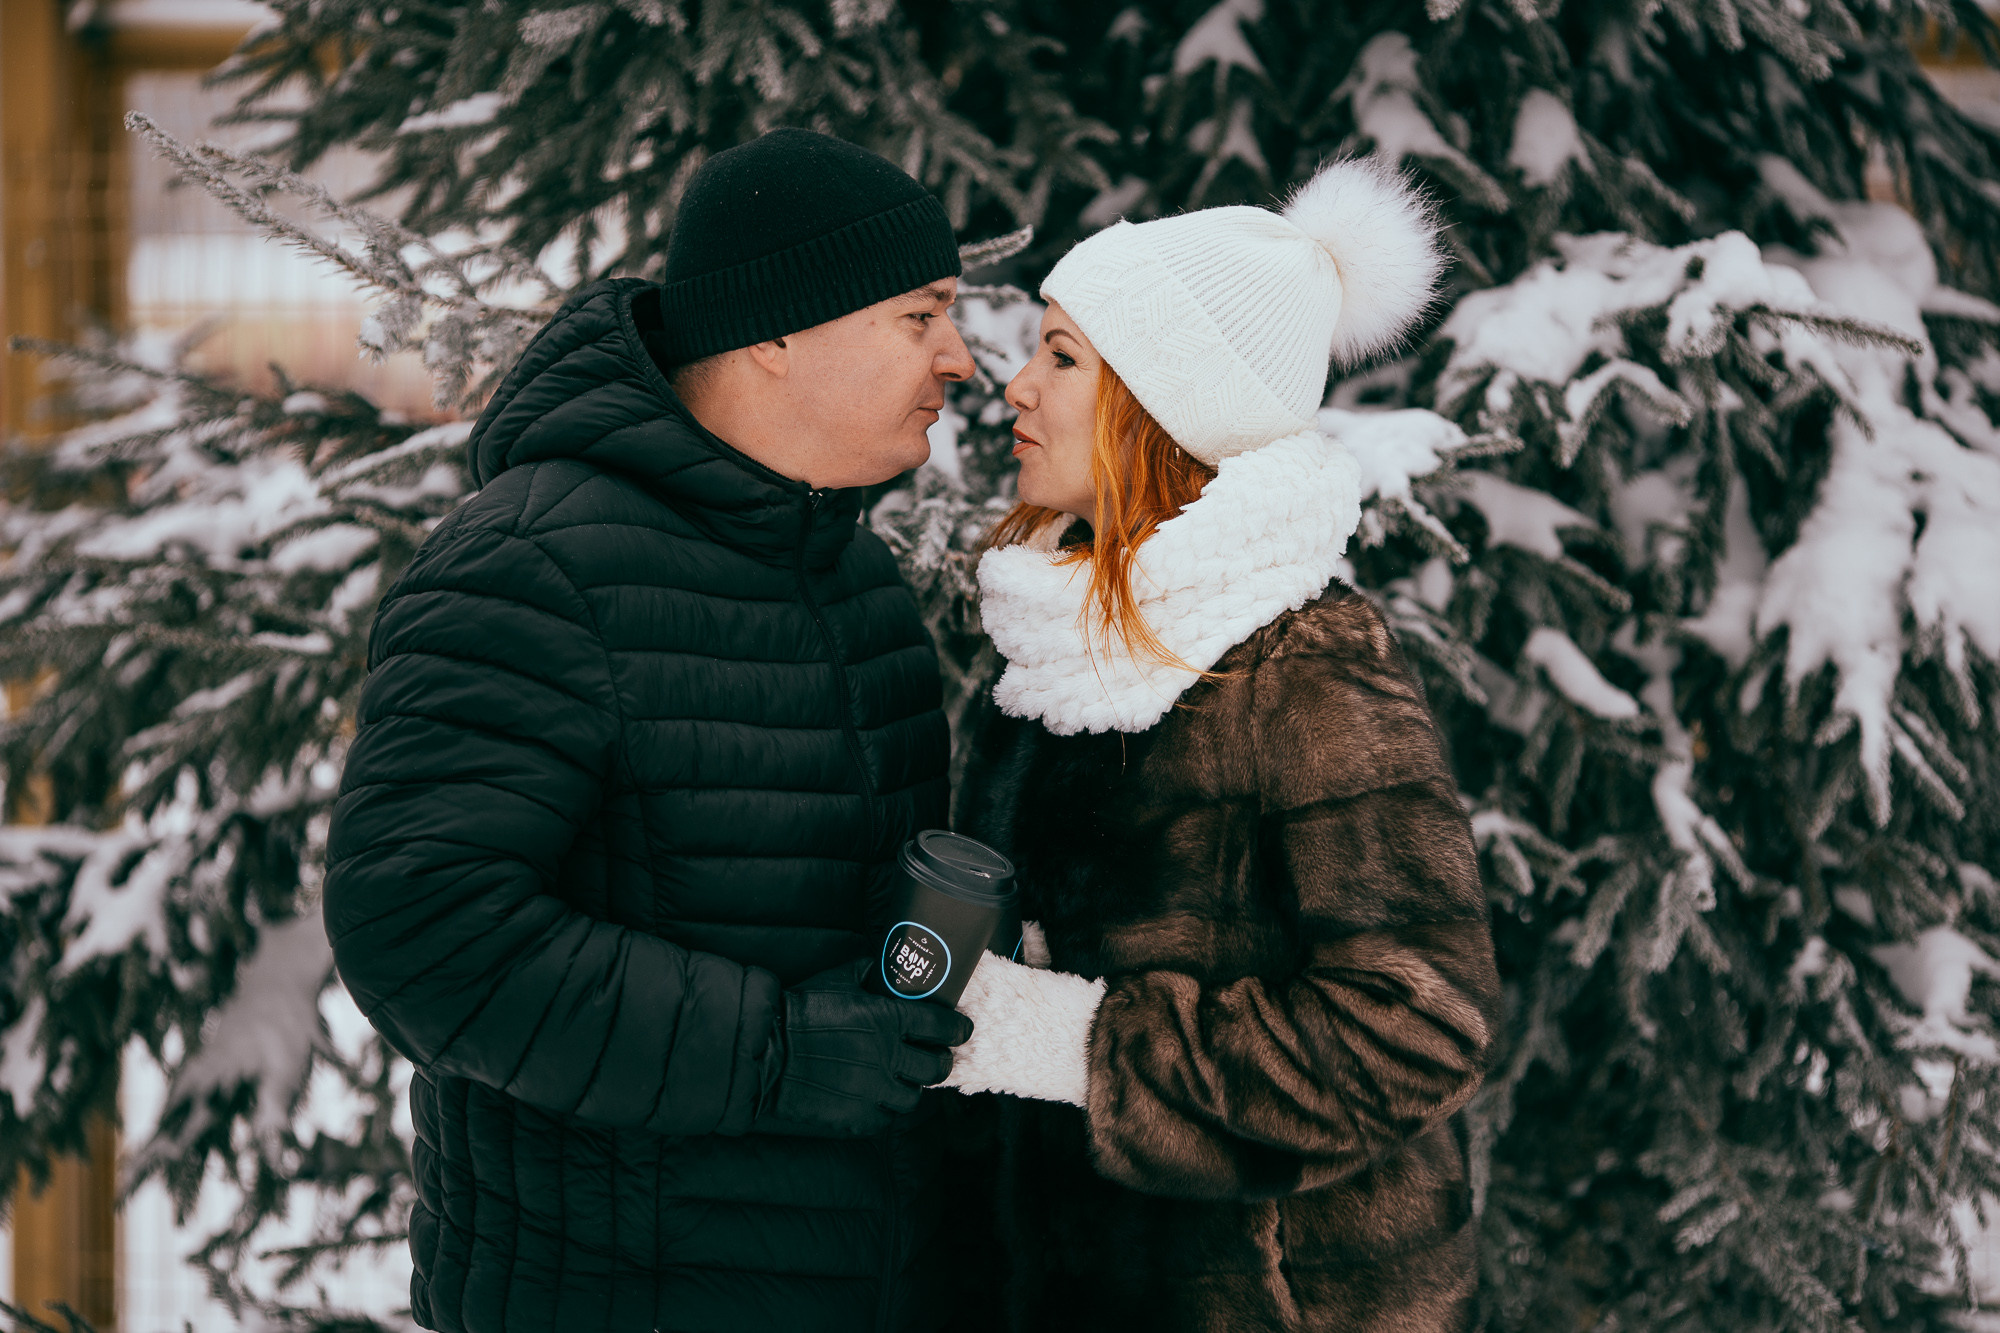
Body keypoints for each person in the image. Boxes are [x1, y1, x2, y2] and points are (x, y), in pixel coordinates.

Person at [323, 129, 983, 1333]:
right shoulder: (534, 565)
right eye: (920, 314)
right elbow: (421, 927)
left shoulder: (856, 584)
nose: (961, 360)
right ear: (778, 332)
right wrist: (778, 1051)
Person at [941, 159, 1502, 1332]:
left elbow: (1415, 1025)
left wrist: (1077, 1045)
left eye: (1060, 358)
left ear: (1162, 403)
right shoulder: (1046, 652)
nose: (1014, 388)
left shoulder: (1304, 671)